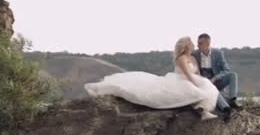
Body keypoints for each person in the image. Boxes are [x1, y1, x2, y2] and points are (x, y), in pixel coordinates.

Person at [84, 36, 235, 120]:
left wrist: (203, 81)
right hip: (182, 80)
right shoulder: (182, 59)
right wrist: (198, 83)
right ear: (186, 47)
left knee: (210, 89)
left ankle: (205, 110)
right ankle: (203, 111)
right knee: (197, 91)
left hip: (194, 79)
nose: (194, 47)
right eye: (191, 45)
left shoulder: (193, 58)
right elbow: (189, 75)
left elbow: (198, 74)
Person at [193, 33, 241, 110]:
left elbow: (226, 70)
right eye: (198, 43)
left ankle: (233, 100)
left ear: (208, 44)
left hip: (217, 80)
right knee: (213, 88)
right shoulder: (194, 54)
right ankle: (226, 109)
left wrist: (216, 78)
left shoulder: (218, 53)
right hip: (204, 84)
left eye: (200, 43)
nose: (197, 45)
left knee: (233, 75)